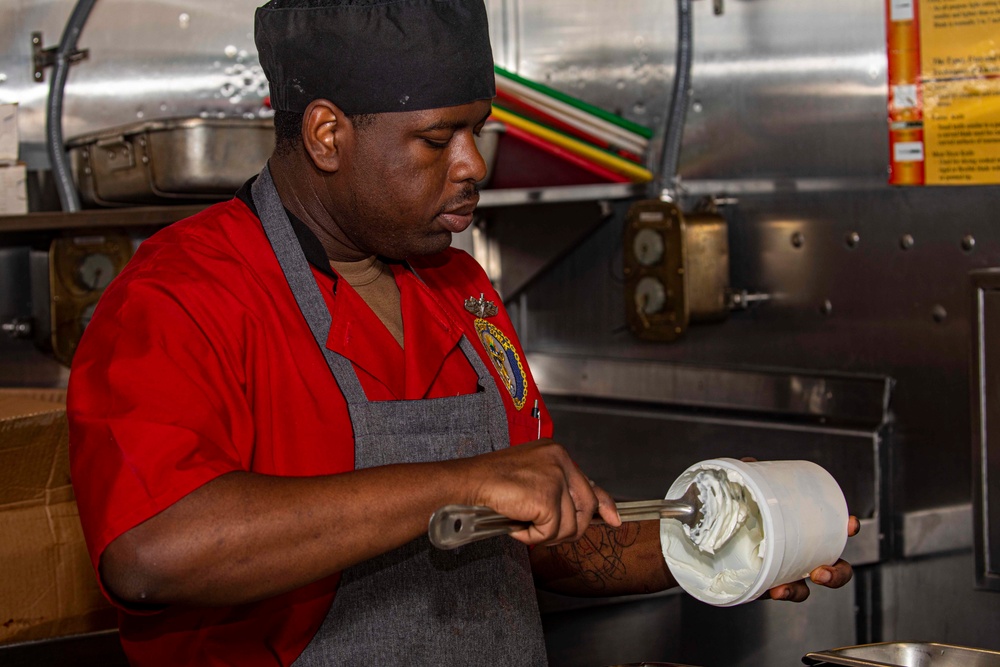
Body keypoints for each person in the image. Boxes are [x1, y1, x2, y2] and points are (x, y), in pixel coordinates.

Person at [67, 0, 858, 665]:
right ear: (327, 134)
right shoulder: (182, 293)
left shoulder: (459, 286)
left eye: (477, 130)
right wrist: (459, 480)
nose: (473, 163)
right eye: (437, 138)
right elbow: (151, 551)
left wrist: (719, 535)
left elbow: (541, 533)